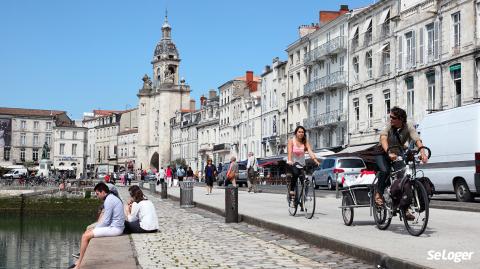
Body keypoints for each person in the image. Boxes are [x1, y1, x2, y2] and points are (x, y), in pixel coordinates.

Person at [375, 107, 428, 220]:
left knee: (404, 176)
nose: (391, 119)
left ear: (400, 119)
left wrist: (423, 152)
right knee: (385, 171)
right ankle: (378, 194)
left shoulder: (409, 126)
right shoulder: (389, 125)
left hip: (396, 152)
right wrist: (388, 152)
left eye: (393, 117)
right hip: (382, 152)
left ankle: (405, 207)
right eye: (390, 117)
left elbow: (417, 140)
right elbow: (383, 138)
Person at [71, 182, 125, 269]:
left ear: (103, 192)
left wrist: (94, 229)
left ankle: (79, 264)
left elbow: (106, 221)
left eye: (97, 194)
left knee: (85, 236)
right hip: (116, 226)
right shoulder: (111, 198)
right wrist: (93, 229)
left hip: (116, 229)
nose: (97, 196)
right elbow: (106, 220)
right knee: (88, 232)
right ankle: (80, 259)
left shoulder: (109, 200)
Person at [287, 126, 320, 206]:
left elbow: (310, 151)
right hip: (293, 163)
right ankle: (292, 194)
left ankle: (304, 199)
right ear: (296, 133)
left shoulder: (305, 142)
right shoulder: (291, 141)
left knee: (305, 181)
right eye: (299, 132)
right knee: (295, 174)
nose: (301, 133)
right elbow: (290, 152)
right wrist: (290, 160)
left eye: (302, 132)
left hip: (302, 164)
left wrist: (315, 160)